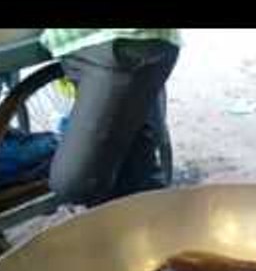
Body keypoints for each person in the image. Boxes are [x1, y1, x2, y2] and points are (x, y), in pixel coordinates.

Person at [39, 29, 180, 206]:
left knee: (72, 183)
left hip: (117, 42)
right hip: (77, 46)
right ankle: (151, 215)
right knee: (131, 169)